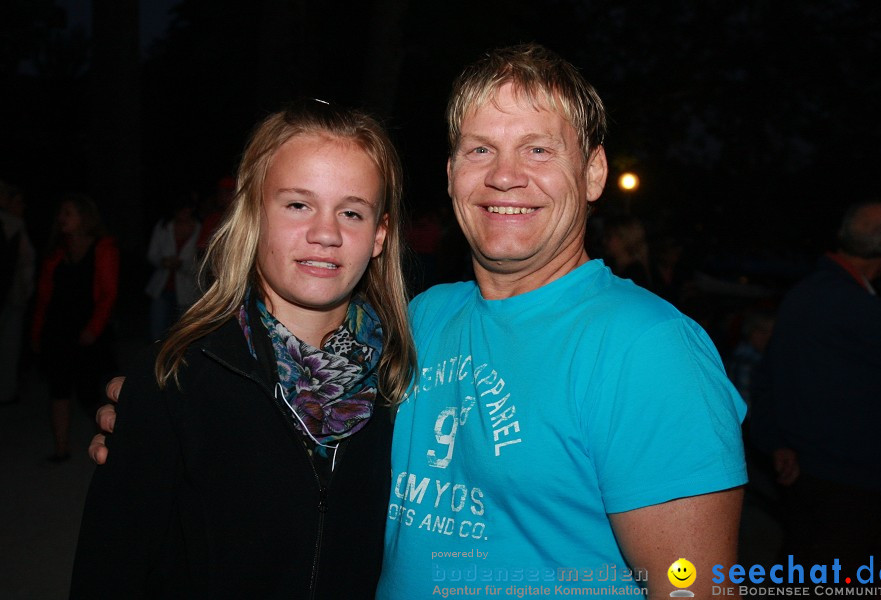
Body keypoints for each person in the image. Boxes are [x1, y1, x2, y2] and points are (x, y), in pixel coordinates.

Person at [93, 45, 747, 598]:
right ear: (452, 174)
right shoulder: (417, 322)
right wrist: (157, 418)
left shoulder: (650, 351)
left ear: (595, 172)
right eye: (480, 149)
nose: (506, 177)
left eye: (539, 150)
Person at [70, 100, 416, 598]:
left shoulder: (403, 381)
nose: (325, 233)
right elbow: (108, 570)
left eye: (352, 211)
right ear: (254, 212)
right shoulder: (176, 375)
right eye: (298, 204)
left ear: (379, 234)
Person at [751, 201, 881, 568]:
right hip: (845, 478)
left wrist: (776, 443)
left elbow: (769, 377)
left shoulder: (804, 295)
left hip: (803, 469)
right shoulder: (865, 313)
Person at [31, 194, 118, 461]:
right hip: (58, 329)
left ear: (84, 217)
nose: (61, 218)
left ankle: (108, 447)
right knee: (58, 389)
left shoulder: (103, 247)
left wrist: (94, 328)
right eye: (61, 213)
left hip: (90, 331)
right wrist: (36, 333)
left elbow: (108, 294)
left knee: (91, 392)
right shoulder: (57, 250)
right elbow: (44, 297)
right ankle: (61, 448)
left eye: (68, 213)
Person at [144, 198, 202, 340]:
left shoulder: (200, 228)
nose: (185, 212)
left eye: (188, 208)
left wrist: (182, 264)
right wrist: (163, 261)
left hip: (188, 291)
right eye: (182, 208)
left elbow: (202, 261)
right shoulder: (164, 226)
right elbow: (152, 254)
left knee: (183, 337)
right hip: (162, 288)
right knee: (157, 335)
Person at [0, 181, 35, 405]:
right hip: (8, 295)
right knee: (7, 345)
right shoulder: (9, 224)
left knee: (10, 345)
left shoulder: (14, 224)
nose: (22, 206)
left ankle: (7, 390)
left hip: (15, 296)